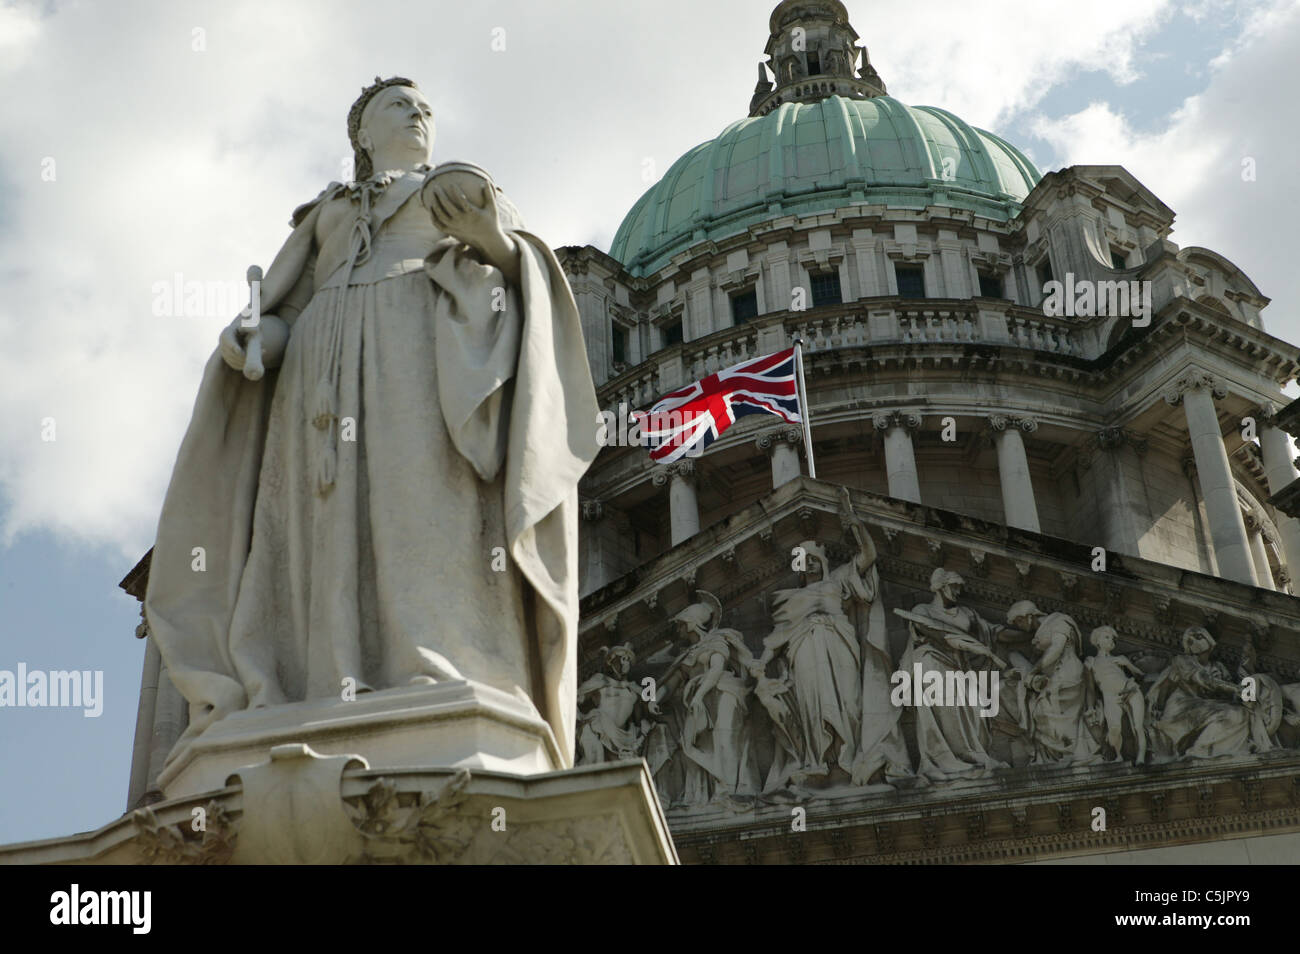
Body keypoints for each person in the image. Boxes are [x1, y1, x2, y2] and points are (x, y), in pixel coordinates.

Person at [144, 77, 599, 767]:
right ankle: (317, 680)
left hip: (419, 349)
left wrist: (487, 237)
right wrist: (256, 340)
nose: (417, 114)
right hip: (316, 376)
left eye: (425, 108)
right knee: (312, 527)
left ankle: (438, 663)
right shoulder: (325, 212)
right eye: (398, 106)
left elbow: (518, 266)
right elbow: (287, 310)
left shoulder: (454, 187)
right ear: (360, 134)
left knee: (425, 505)